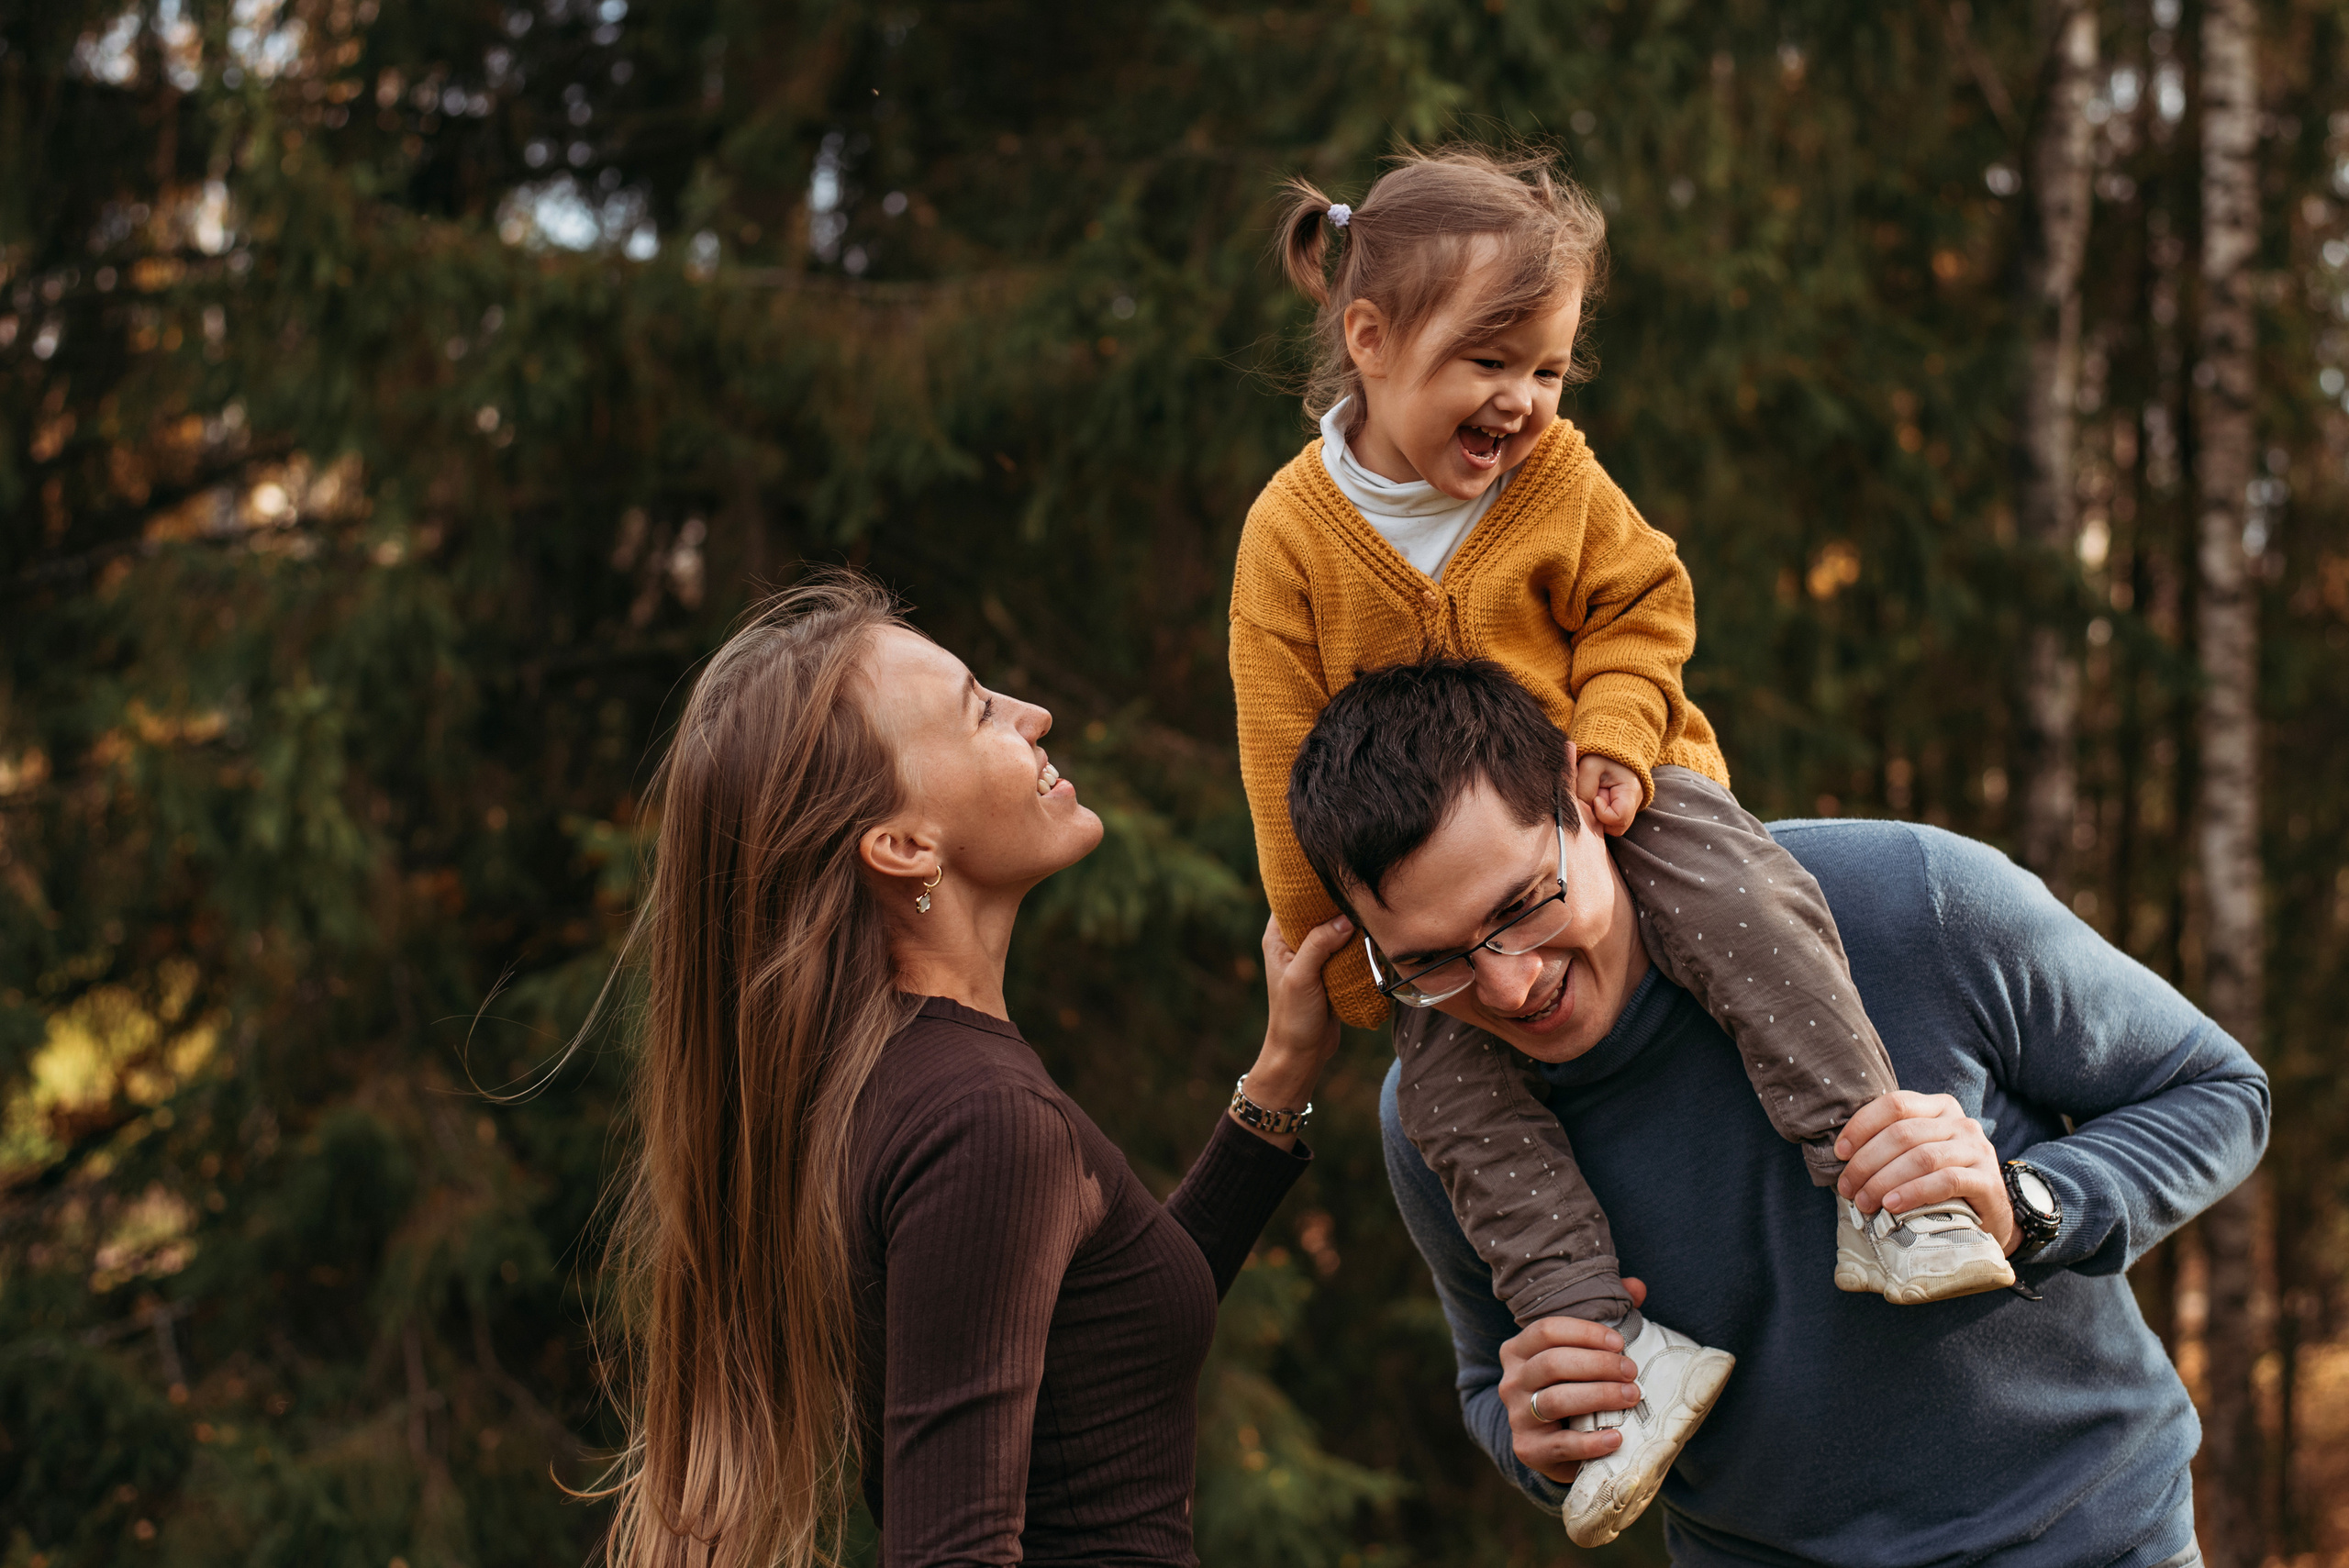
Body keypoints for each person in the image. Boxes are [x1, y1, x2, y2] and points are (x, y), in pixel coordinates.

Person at [1229, 145, 2009, 1543]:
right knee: (1464, 1113)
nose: (1522, 402)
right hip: (1441, 901)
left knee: (1754, 914)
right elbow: (1281, 747)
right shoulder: (1293, 532)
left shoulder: (1556, 477)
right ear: (1370, 338)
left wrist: (1618, 731)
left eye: (1550, 370)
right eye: (1490, 364)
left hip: (1615, 805)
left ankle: (1876, 1177)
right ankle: (1612, 1351)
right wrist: (1344, 964)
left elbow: (1645, 596)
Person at [1285, 656, 2266, 1566]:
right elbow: (1485, 1383)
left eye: (1522, 905)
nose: (1506, 986)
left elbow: (2219, 1092)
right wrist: (1538, 1437)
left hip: (2091, 1538)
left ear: (1588, 795)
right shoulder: (1434, 1122)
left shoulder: (1904, 899)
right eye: (1431, 962)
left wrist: (2029, 1205)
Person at [588, 573, 1353, 1568]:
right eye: (978, 709)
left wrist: (1281, 1074)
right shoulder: (980, 1117)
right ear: (903, 846)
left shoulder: (910, 1086)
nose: (1033, 716)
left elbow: (1104, 1353)